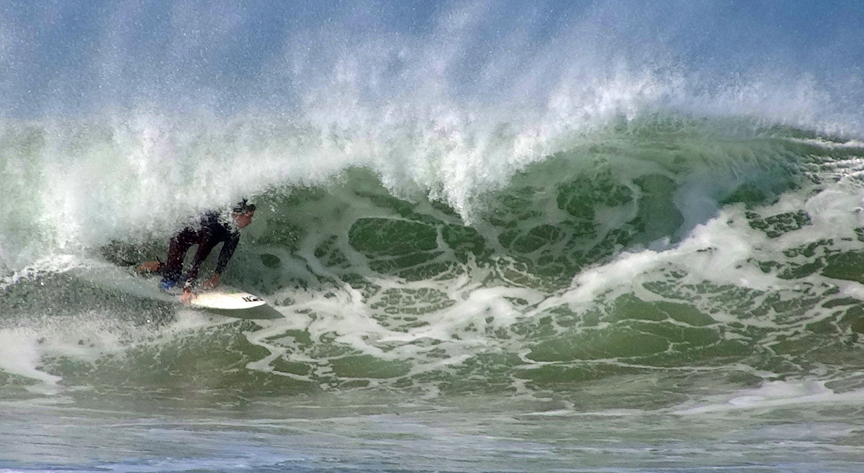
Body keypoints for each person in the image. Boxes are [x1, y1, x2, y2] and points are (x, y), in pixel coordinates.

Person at [138, 200, 256, 304]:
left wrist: (216, 277)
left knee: (186, 276)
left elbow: (226, 253)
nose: (250, 221)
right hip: (181, 236)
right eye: (248, 217)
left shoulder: (234, 231)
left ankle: (179, 275)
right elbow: (198, 258)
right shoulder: (213, 229)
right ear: (236, 215)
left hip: (198, 236)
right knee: (172, 276)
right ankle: (156, 266)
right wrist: (187, 290)